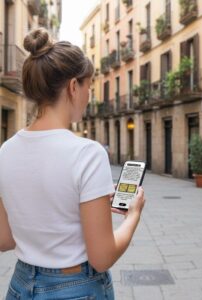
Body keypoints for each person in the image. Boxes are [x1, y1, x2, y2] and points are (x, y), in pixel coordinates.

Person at [0, 28, 145, 299]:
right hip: (76, 288)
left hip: (21, 285)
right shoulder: (87, 153)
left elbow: (4, 240)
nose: (89, 96)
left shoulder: (5, 152)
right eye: (89, 86)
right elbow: (102, 258)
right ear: (73, 86)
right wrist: (134, 214)